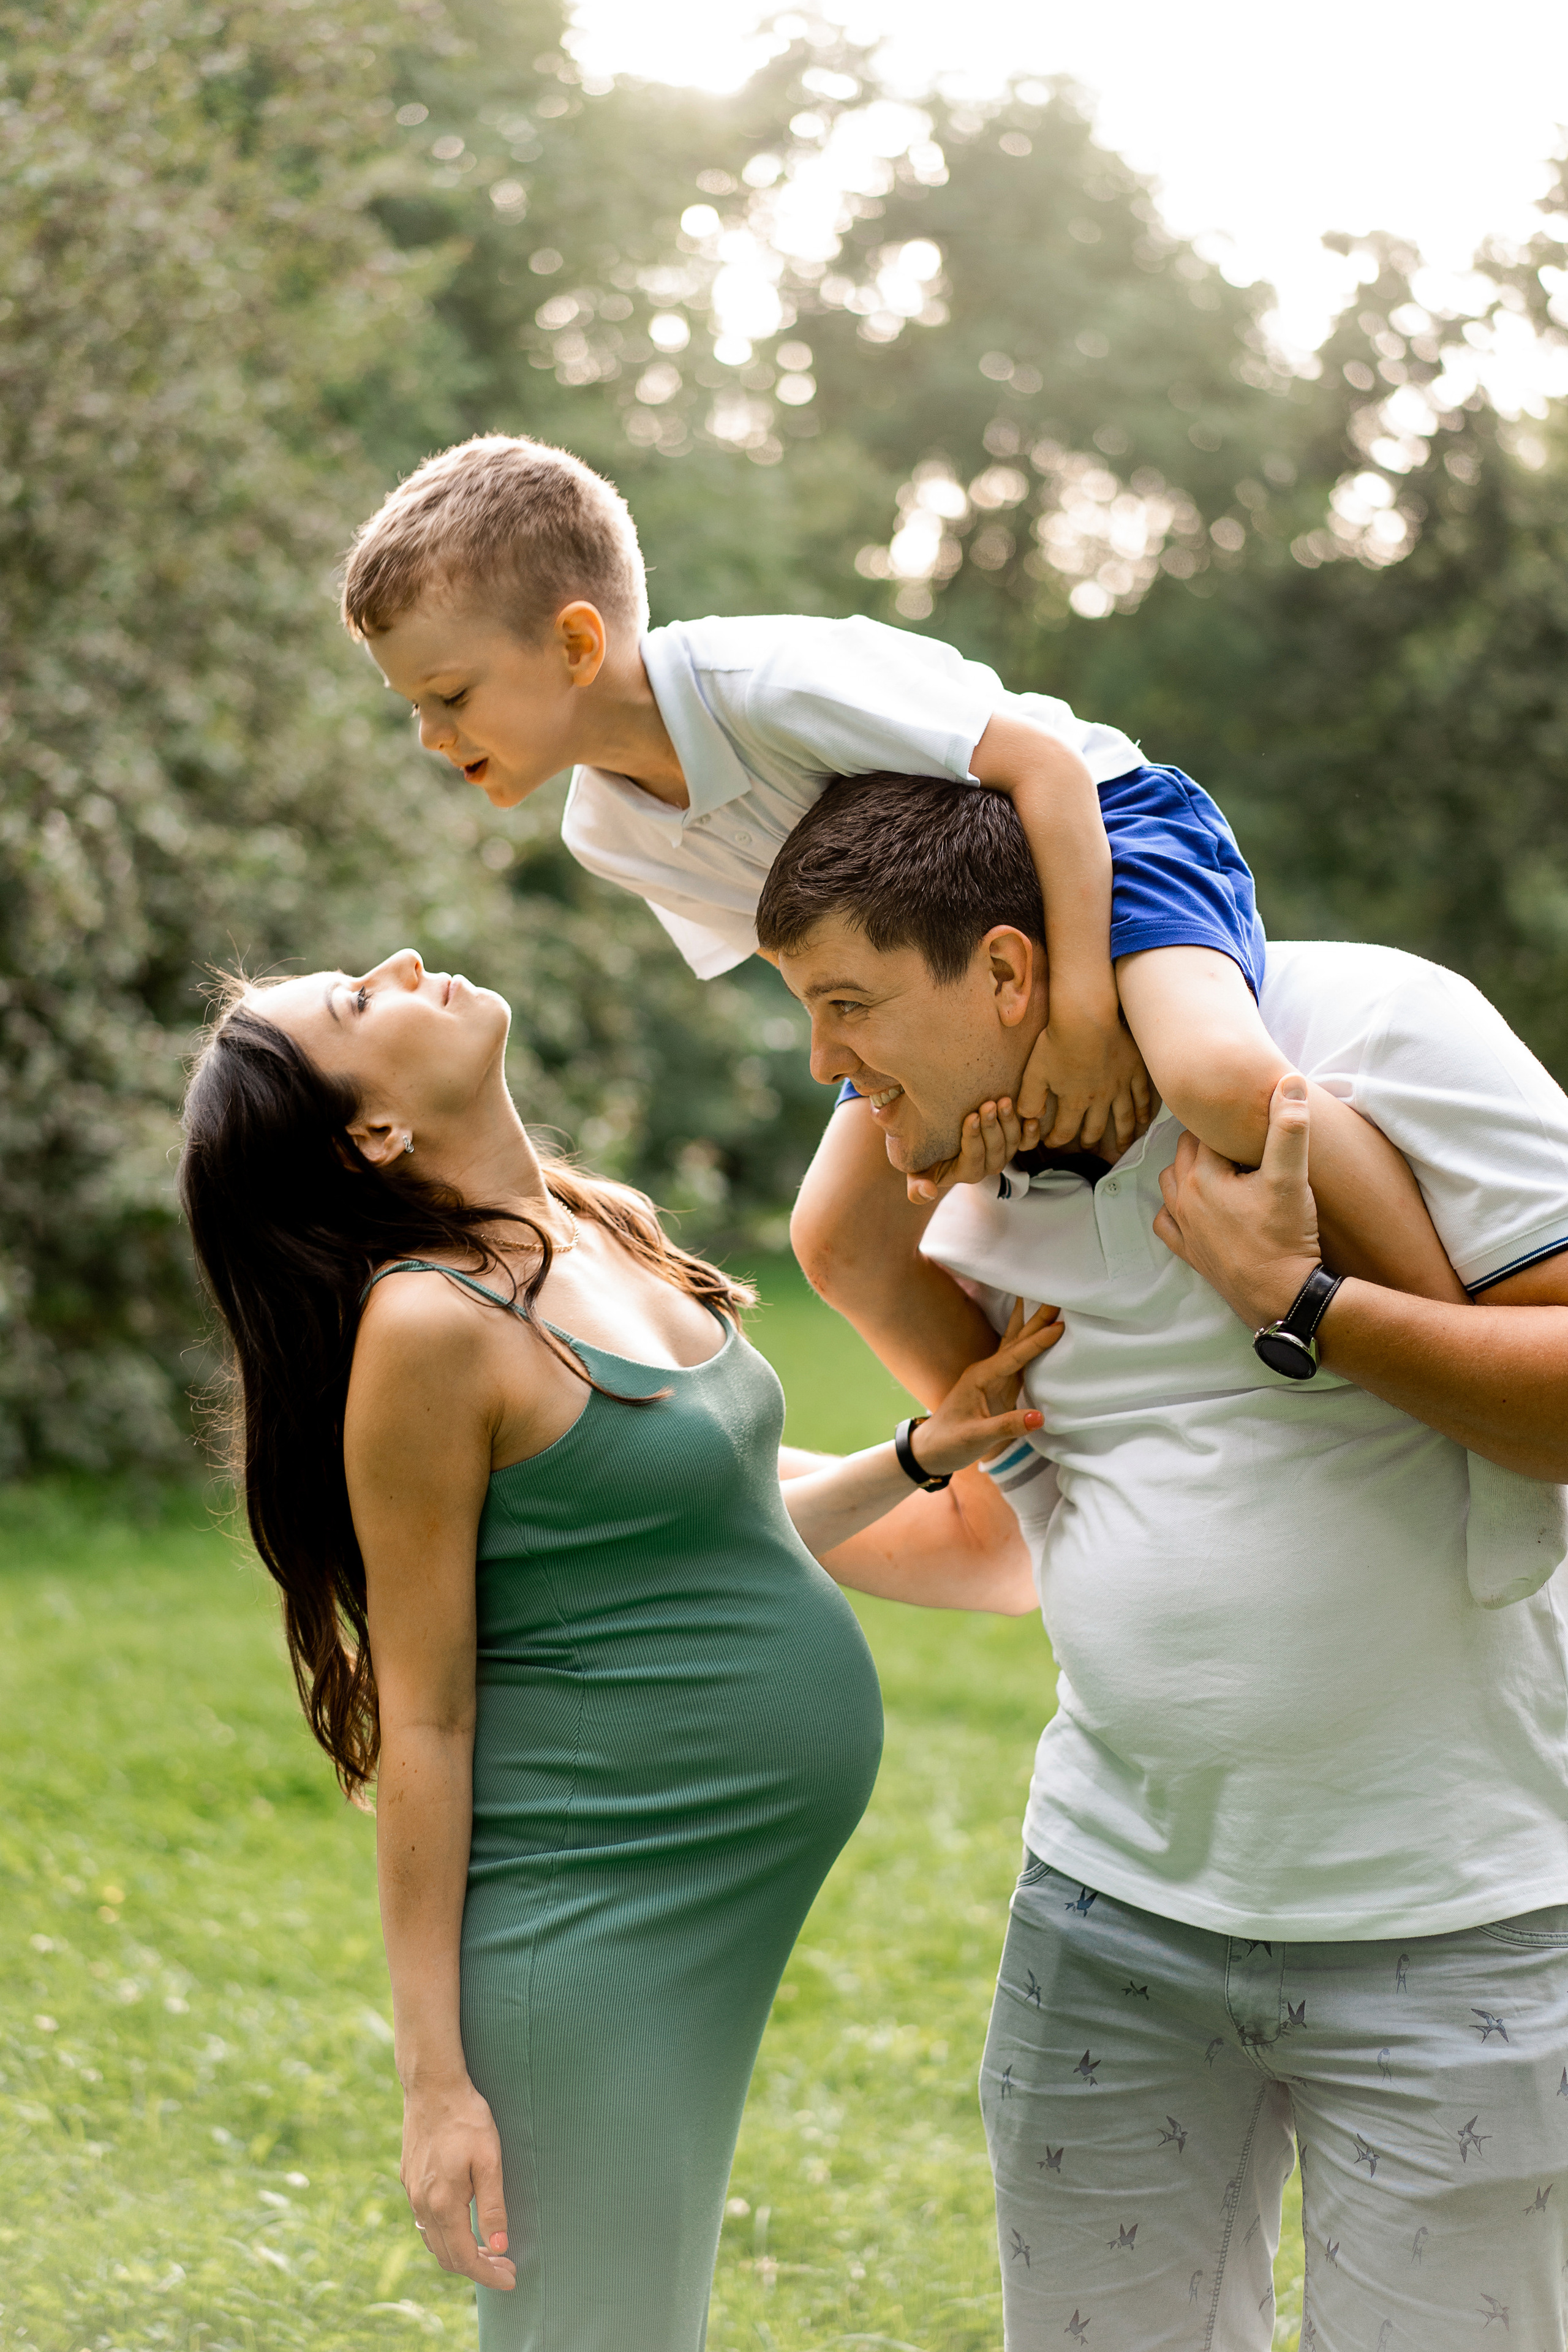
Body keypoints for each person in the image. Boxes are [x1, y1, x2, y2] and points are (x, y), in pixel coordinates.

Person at [752, 774, 1568, 2350]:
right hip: (1107, 1919)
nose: (823, 1064)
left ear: (1007, 972)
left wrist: (1303, 1297)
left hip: (1458, 1928)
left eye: (848, 1008)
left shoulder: (1378, 1028)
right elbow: (1014, 1511)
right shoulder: (964, 1165)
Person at [176, 943, 1056, 2352]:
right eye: (357, 1003)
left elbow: (694, 1531)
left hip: (699, 1896)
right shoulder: (429, 1326)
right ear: (375, 1133)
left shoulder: (586, 1226)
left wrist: (914, 1455)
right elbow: (430, 1717)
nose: (400, 963)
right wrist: (435, 2086)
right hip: (593, 1923)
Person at [337, 431, 1461, 1306]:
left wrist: (1078, 1019)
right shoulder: (607, 832)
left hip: (1107, 835)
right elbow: (830, 965)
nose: (434, 737)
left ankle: (1457, 1326)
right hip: (950, 945)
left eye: (451, 697)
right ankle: (1003, 1464)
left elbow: (1052, 776)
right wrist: (923, 1113)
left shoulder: (772, 679)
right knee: (839, 1234)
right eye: (414, 708)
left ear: (578, 646)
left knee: (1218, 1079)